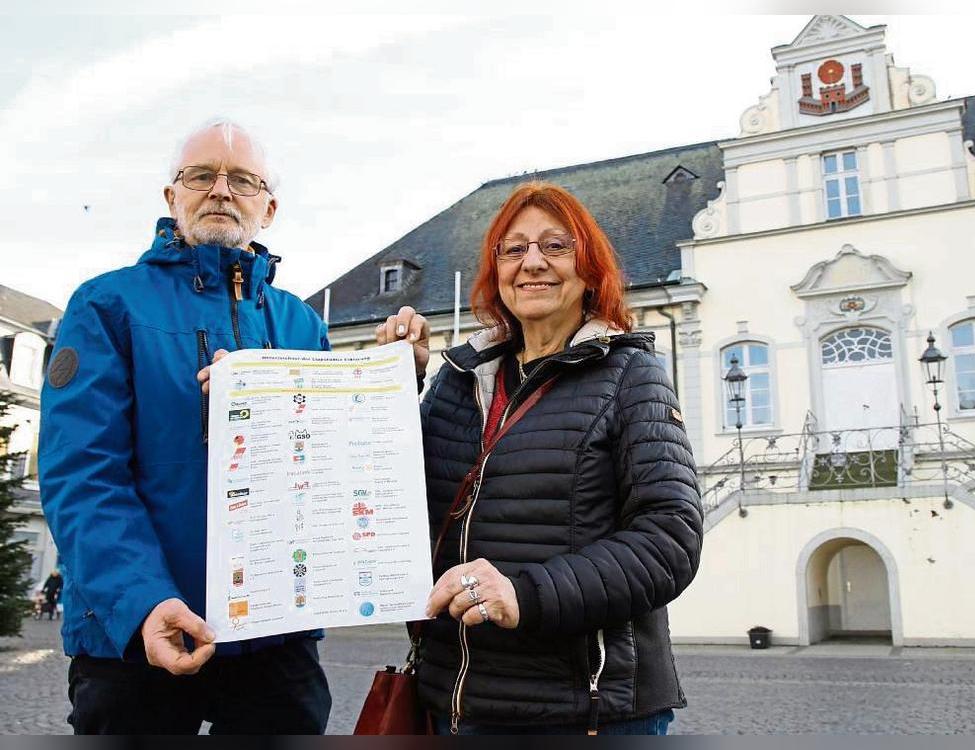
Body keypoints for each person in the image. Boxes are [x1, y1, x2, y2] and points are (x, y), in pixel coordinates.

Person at [376, 181, 704, 735]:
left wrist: (523, 595)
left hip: (587, 710)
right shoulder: (459, 381)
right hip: (457, 702)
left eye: (556, 246)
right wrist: (392, 386)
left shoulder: (631, 375)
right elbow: (396, 501)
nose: (532, 263)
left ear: (589, 268)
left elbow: (670, 538)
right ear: (495, 270)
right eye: (514, 249)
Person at [38, 119, 332, 735]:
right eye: (202, 175)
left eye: (243, 180)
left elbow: (326, 468)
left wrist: (392, 378)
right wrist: (143, 601)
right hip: (135, 634)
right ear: (172, 196)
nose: (221, 190)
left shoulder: (303, 324)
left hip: (274, 637)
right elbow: (82, 475)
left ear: (269, 207)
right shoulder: (105, 304)